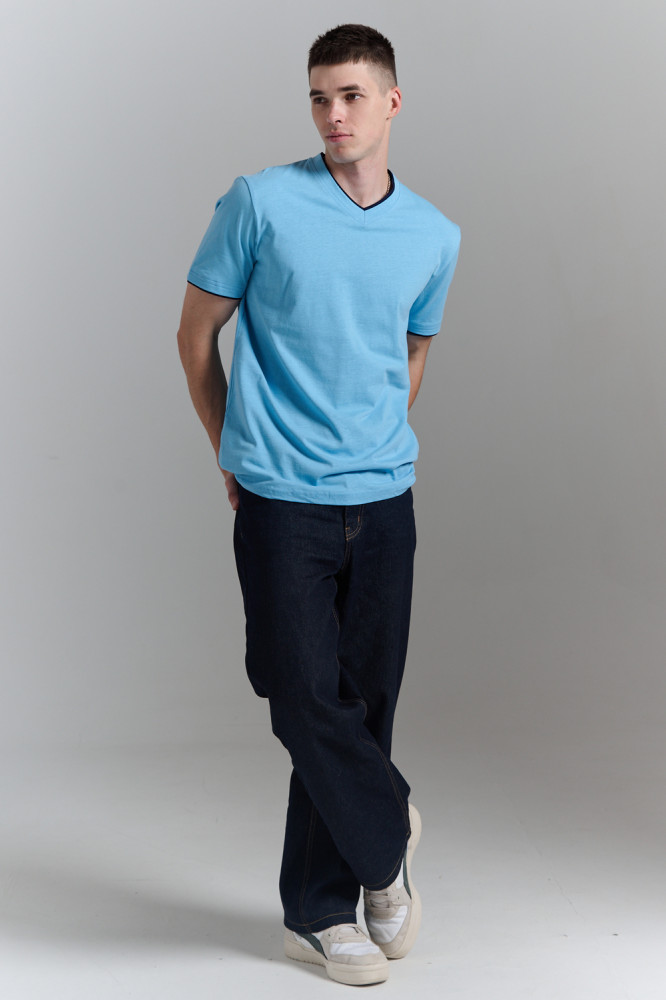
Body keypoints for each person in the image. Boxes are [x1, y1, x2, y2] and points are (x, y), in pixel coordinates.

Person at [177, 23, 460, 987]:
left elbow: (412, 349)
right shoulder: (259, 202)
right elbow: (195, 335)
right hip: (277, 495)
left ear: (391, 102)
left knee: (364, 706)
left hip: (384, 500)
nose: (332, 115)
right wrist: (231, 445)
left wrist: (373, 442)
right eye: (317, 97)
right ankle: (387, 830)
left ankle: (325, 912)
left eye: (350, 95)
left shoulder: (434, 234)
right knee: (299, 690)